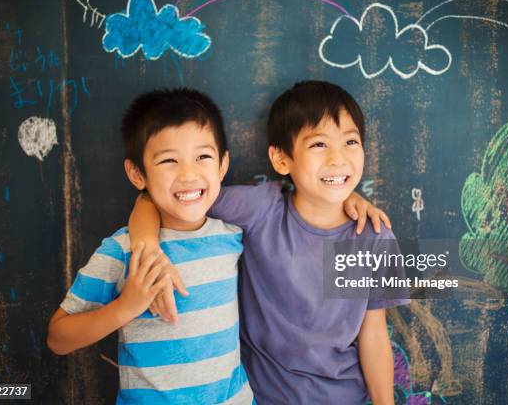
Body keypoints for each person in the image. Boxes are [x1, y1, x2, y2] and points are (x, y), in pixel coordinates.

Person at [130, 80, 410, 404]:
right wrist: (146, 244)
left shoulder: (375, 237)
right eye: (319, 145)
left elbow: (373, 335)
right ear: (281, 159)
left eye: (351, 141)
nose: (338, 158)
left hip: (343, 397)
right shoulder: (261, 209)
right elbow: (159, 197)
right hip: (259, 398)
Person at [47, 88, 254, 404]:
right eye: (169, 160)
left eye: (203, 157)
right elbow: (58, 339)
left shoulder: (234, 237)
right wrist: (127, 306)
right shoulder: (123, 250)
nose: (189, 174)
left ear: (223, 165)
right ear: (137, 173)